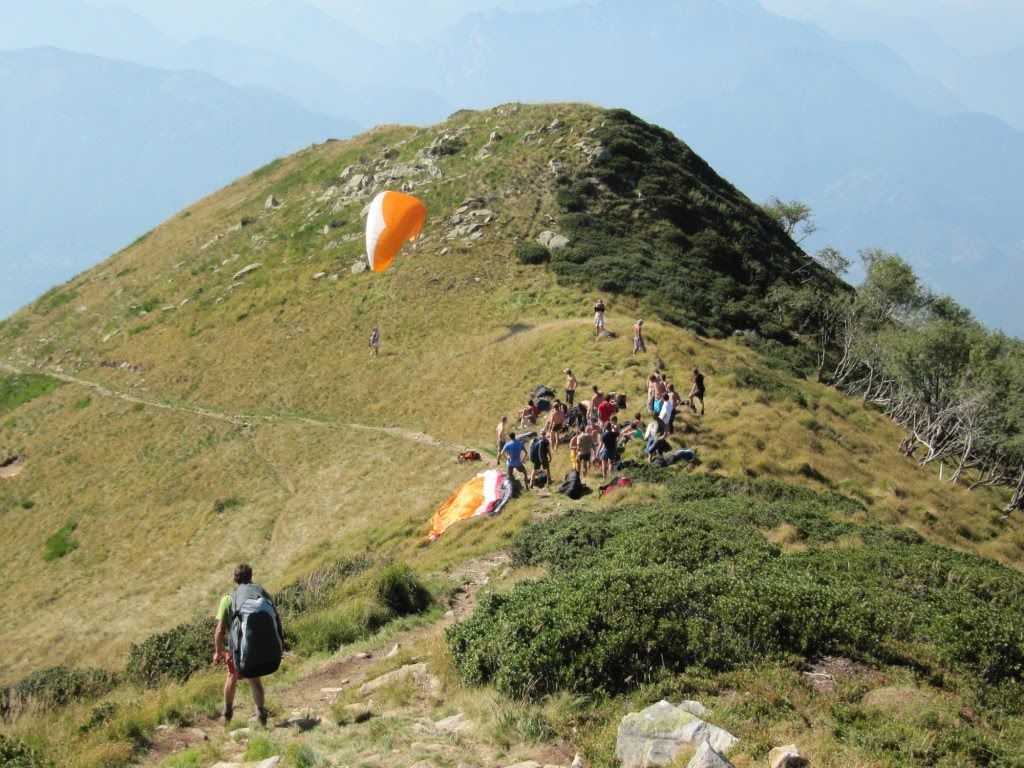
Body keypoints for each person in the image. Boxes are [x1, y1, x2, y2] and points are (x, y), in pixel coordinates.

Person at [213, 563, 281, 726]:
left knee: (232, 677)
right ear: (251, 577)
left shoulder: (228, 599)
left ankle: (227, 713)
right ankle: (261, 715)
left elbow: (220, 630)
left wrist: (218, 652)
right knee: (255, 681)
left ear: (235, 579)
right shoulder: (260, 595)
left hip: (236, 649)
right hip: (253, 647)